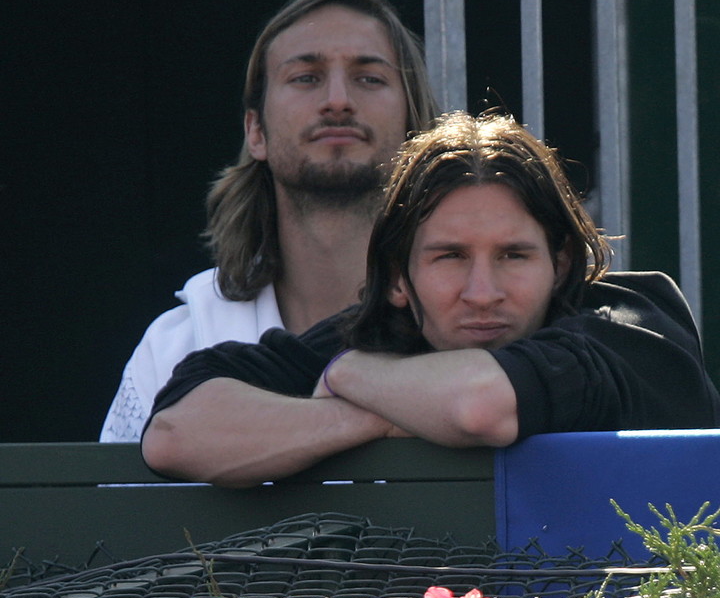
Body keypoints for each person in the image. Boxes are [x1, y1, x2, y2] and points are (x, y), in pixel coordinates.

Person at [141, 111, 720, 485]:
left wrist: (347, 376)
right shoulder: (381, 338)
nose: (483, 292)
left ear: (560, 261)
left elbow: (479, 407)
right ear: (398, 277)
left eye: (514, 255)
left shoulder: (634, 321)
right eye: (450, 257)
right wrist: (371, 416)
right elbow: (174, 434)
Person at [100, 0, 438, 442]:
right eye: (306, 77)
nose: (338, 100)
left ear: (414, 129)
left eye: (369, 78)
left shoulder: (465, 321)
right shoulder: (177, 345)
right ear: (255, 130)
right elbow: (113, 512)